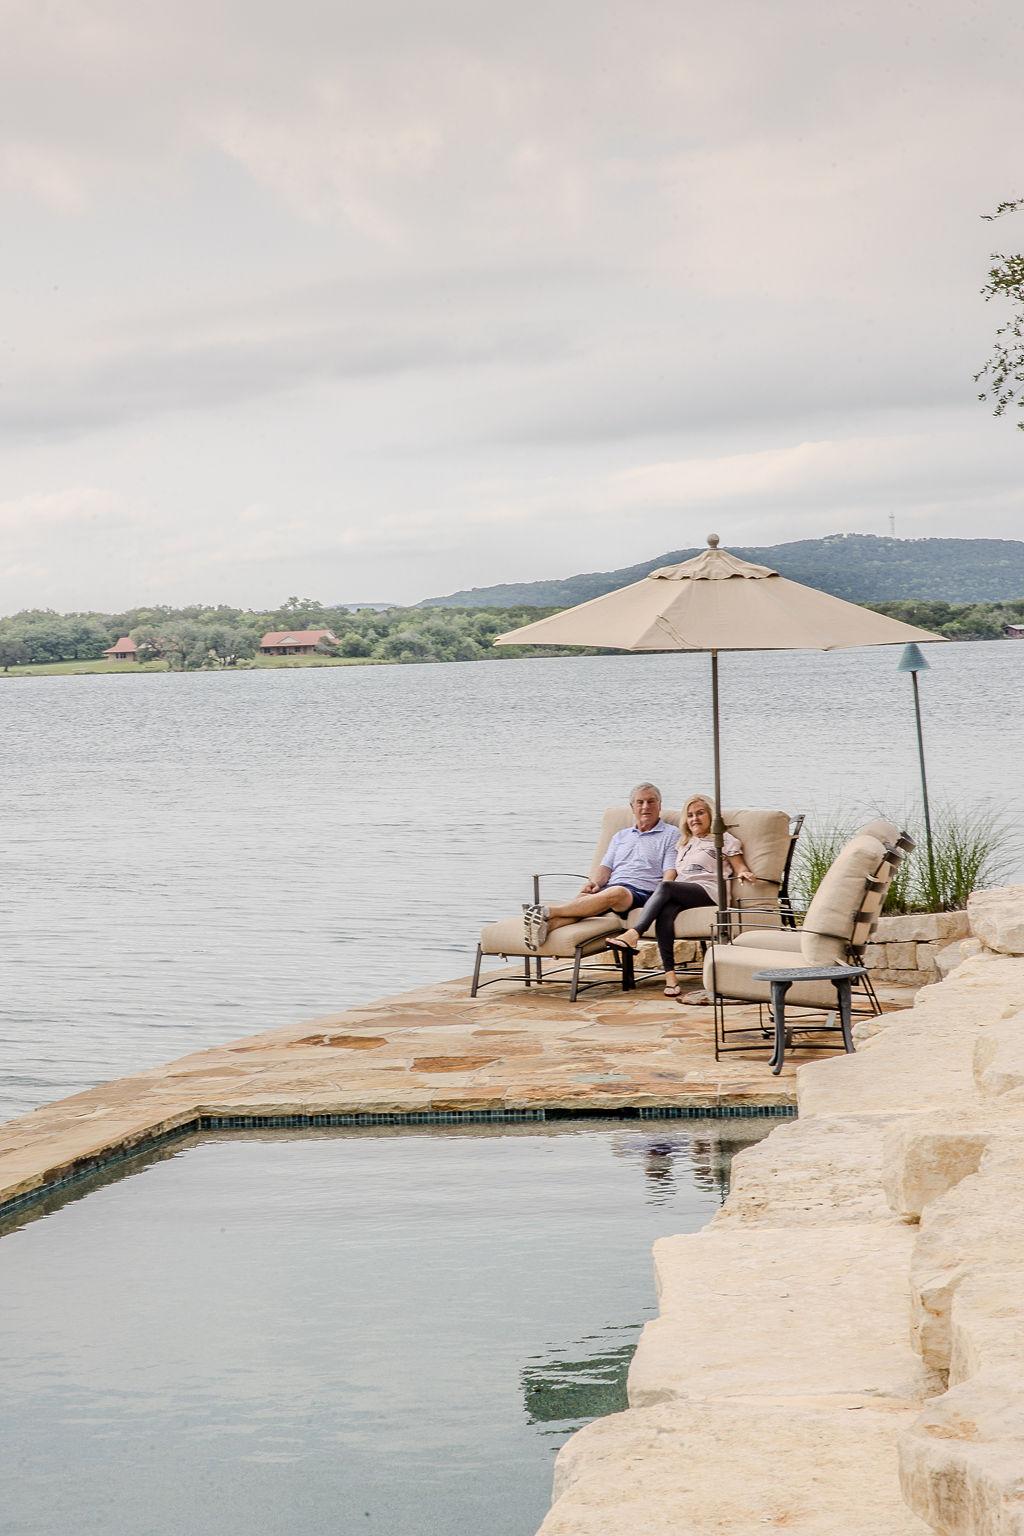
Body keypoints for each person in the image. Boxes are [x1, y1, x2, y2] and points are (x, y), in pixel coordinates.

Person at [607, 793, 755, 997]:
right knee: (665, 914)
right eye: (691, 815)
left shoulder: (723, 839)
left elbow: (740, 866)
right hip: (684, 891)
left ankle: (634, 933)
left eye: (700, 813)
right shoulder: (685, 843)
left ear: (711, 815)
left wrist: (744, 873)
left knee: (666, 887)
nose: (695, 818)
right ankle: (671, 977)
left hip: (708, 890)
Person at [522, 783, 678, 950]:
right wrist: (594, 883)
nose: (646, 806)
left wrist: (662, 897)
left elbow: (670, 873)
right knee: (584, 896)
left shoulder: (671, 834)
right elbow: (606, 867)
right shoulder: (620, 836)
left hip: (641, 893)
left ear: (660, 805)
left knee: (616, 892)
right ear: (632, 807)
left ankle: (548, 910)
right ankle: (546, 928)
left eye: (651, 801)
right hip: (610, 889)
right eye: (640, 802)